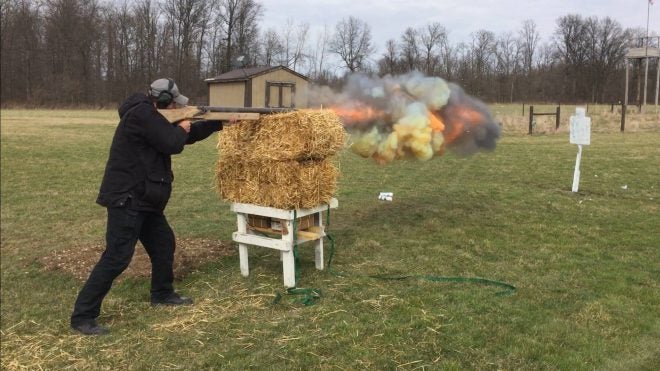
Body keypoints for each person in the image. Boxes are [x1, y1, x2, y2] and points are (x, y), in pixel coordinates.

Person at [71, 78, 223, 335]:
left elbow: (184, 136)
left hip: (145, 198)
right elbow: (173, 142)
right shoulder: (142, 114)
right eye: (173, 103)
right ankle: (82, 316)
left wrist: (218, 123)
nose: (176, 107)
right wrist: (183, 127)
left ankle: (162, 293)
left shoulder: (152, 115)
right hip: (128, 199)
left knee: (164, 243)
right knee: (117, 257)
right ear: (162, 101)